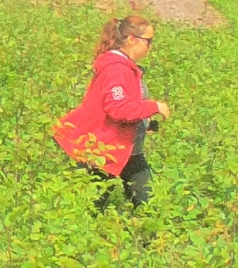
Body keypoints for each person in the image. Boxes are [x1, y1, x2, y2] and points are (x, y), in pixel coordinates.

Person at [54, 15, 171, 209]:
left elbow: (127, 104)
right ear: (132, 39)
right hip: (103, 151)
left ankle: (146, 237)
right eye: (148, 41)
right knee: (87, 209)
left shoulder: (126, 67)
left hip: (127, 150)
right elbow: (117, 109)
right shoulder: (116, 69)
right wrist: (154, 107)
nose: (150, 47)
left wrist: (144, 123)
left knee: (149, 207)